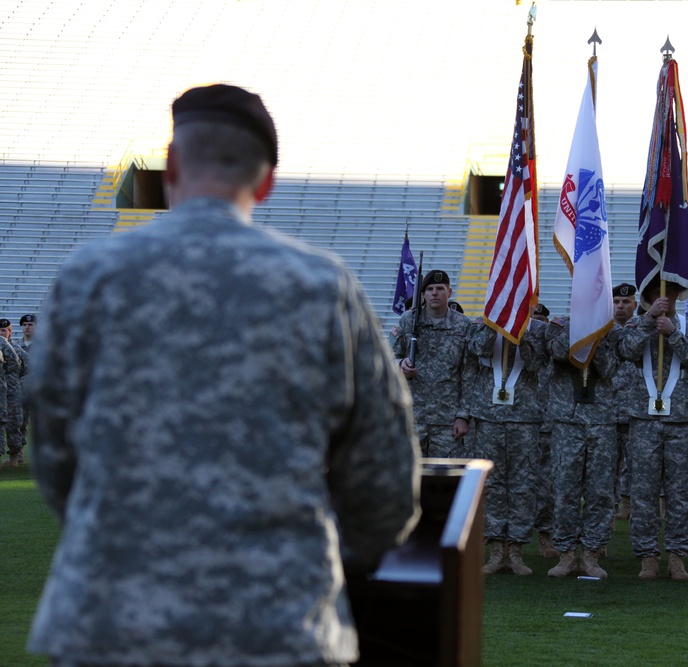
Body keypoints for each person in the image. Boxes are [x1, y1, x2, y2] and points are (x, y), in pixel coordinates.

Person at [26, 84, 421, 667]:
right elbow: (385, 483)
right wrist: (320, 557)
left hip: (110, 624)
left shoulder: (88, 278)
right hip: (276, 626)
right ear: (266, 183)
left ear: (172, 166)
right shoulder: (322, 287)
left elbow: (56, 456)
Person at [617, 279, 688, 581]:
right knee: (643, 492)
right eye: (656, 295)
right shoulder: (634, 325)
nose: (663, 299)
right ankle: (647, 556)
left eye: (669, 294)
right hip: (643, 420)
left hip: (680, 420)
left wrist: (673, 335)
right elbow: (627, 353)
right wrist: (648, 321)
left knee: (681, 493)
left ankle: (678, 555)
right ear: (646, 298)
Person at [467, 317, 549, 575]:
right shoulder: (480, 325)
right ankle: (496, 550)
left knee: (523, 484)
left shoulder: (538, 329)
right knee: (491, 483)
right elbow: (477, 350)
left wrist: (520, 334)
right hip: (488, 415)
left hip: (524, 416)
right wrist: (495, 326)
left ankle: (516, 549)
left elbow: (536, 364)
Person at [544, 315, 620, 579]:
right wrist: (577, 328)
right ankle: (565, 553)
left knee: (600, 491)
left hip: (601, 420)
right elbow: (557, 352)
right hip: (568, 420)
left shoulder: (611, 330)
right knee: (565, 489)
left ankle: (591, 553)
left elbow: (610, 368)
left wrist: (595, 334)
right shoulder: (558, 326)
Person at [390, 270, 472, 458]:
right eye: (430, 289)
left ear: (449, 292)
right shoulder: (409, 321)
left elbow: (468, 374)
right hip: (412, 417)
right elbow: (387, 359)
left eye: (440, 288)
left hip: (447, 421)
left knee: (445, 480)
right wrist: (400, 364)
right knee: (409, 476)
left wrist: (463, 416)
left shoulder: (463, 325)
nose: (435, 293)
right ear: (423, 294)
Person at [530, 303, 559, 558]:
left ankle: (545, 535)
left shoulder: (551, 347)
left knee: (547, 485)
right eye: (533, 321)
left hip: (548, 422)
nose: (537, 326)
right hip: (519, 419)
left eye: (541, 321)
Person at [611, 283, 639, 521]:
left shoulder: (642, 330)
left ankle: (629, 505)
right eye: (616, 302)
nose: (620, 306)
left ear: (635, 305)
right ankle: (608, 508)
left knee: (636, 464)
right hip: (606, 412)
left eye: (626, 302)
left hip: (635, 410)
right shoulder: (599, 330)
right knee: (607, 465)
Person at [0, 319, 27, 467]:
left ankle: (15, 456)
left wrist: (8, 375)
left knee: (13, 424)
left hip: (11, 391)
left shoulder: (16, 348)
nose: (1, 333)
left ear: (10, 332)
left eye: (4, 330)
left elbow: (25, 366)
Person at [16, 314, 35, 448]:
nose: (27, 327)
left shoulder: (44, 344)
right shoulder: (16, 345)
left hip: (40, 387)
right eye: (24, 325)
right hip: (21, 387)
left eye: (30, 324)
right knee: (20, 420)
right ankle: (19, 452)